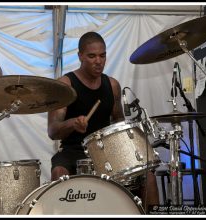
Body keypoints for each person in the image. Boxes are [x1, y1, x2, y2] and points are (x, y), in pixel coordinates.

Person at [47, 31, 159, 213]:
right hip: (73, 150)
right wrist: (72, 123)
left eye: (102, 55)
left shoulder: (112, 85)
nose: (98, 61)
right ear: (80, 56)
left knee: (149, 177)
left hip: (107, 152)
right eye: (92, 56)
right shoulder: (65, 85)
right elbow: (53, 131)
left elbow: (118, 119)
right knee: (59, 172)